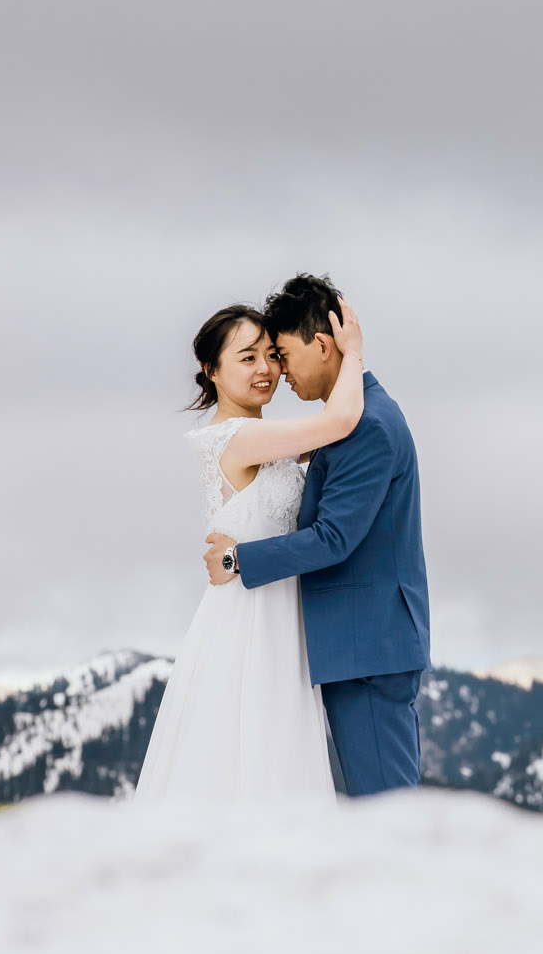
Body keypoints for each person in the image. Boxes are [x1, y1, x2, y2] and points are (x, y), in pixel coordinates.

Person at [201, 273, 432, 797]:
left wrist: (238, 560)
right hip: (361, 645)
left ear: (322, 345)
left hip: (368, 649)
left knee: (387, 808)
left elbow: (333, 539)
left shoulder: (365, 426)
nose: (279, 372)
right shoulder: (350, 424)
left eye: (282, 353)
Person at [136, 295, 366, 802]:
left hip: (279, 609)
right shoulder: (237, 437)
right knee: (248, 747)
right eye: (247, 358)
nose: (265, 369)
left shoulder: (265, 436)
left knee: (267, 748)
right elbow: (341, 422)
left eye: (272, 355)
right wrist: (352, 354)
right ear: (211, 370)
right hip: (250, 618)